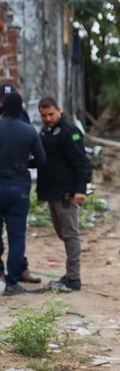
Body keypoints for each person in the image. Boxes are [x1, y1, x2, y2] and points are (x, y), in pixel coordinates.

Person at [37, 97, 92, 292]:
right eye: (43, 115)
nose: (48, 118)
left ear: (59, 110)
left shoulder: (69, 132)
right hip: (52, 191)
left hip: (67, 192)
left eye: (51, 114)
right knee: (63, 234)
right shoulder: (46, 131)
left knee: (70, 235)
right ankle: (70, 274)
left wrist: (80, 189)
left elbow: (82, 162)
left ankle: (74, 278)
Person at [0, 92, 46, 295]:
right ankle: (12, 282)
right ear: (21, 108)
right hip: (19, 189)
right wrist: (24, 162)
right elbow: (42, 161)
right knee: (17, 238)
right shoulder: (29, 131)